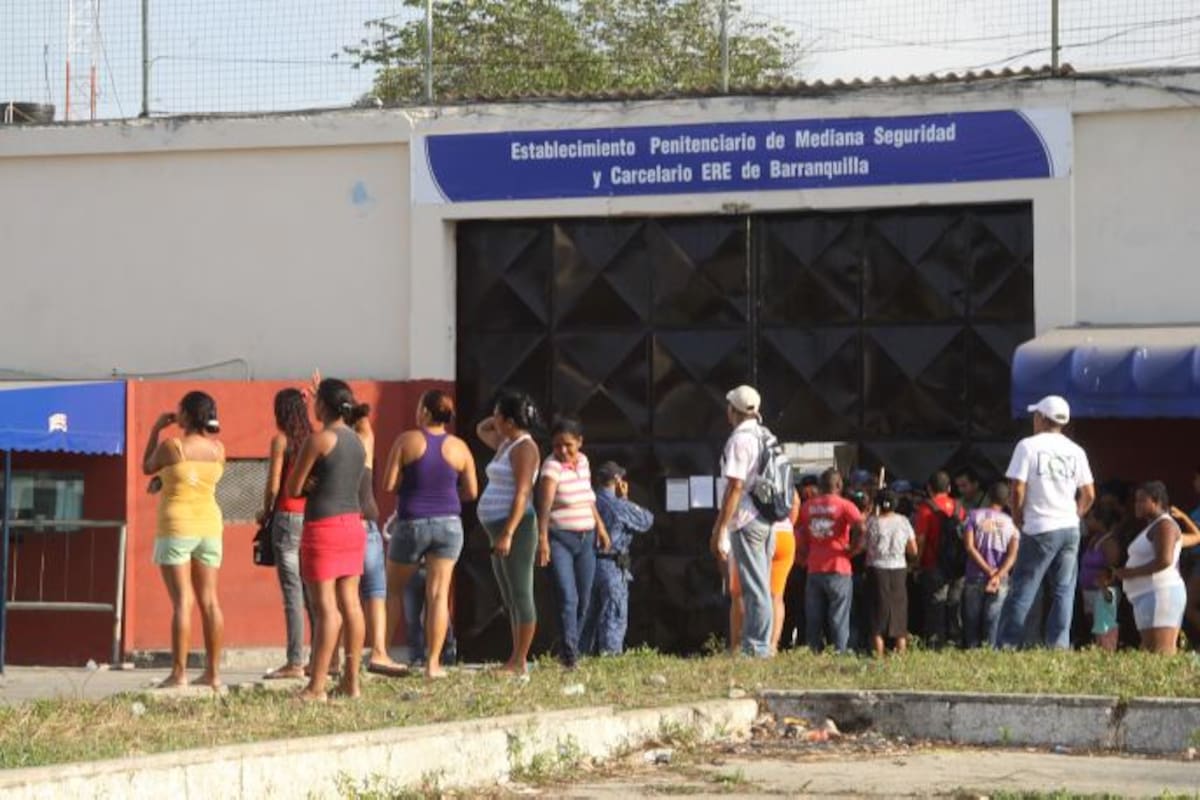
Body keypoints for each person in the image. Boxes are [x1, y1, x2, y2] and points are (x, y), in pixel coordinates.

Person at [383, 390, 477, 678]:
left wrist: (414, 490)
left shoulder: (407, 440)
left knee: (393, 591)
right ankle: (433, 665)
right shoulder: (460, 447)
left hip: (412, 522)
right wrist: (445, 496)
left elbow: (388, 484)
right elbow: (471, 491)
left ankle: (381, 654)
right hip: (449, 524)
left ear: (424, 412)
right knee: (438, 595)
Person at [286, 378, 369, 701]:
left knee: (326, 610)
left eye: (317, 399)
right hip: (353, 525)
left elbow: (294, 488)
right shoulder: (359, 441)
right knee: (351, 605)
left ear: (323, 406)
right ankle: (352, 682)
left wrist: (311, 485)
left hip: (324, 527)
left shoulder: (319, 441)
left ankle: (316, 686)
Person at [997, 395, 1095, 650]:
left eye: (1035, 415)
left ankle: (1007, 644)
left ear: (1041, 418)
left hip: (1039, 526)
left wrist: (1018, 516)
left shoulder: (1028, 446)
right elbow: (1089, 493)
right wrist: (1076, 515)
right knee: (1064, 590)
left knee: (1024, 588)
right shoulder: (1076, 450)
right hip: (1069, 528)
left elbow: (1017, 487)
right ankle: (1058, 645)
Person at [142, 391, 225, 689]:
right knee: (210, 601)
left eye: (180, 411)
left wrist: (155, 429)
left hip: (177, 526)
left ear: (187, 416)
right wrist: (166, 479)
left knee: (182, 602)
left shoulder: (172, 446)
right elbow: (194, 478)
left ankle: (179, 674)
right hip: (210, 527)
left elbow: (147, 466)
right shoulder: (218, 450)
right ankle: (213, 673)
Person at [476, 389, 542, 676]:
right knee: (509, 595)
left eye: (498, 414)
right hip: (498, 527)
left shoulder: (524, 448)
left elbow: (523, 492)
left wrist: (508, 532)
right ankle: (515, 658)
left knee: (521, 592)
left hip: (517, 528)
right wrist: (500, 418)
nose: (493, 419)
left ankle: (519, 660)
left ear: (509, 421)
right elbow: (481, 429)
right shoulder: (506, 443)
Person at [537, 417, 611, 669]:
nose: (563, 451)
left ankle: (572, 646)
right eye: (557, 446)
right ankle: (570, 656)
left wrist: (600, 527)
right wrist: (543, 538)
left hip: (586, 538)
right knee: (567, 597)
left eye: (568, 445)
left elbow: (588, 497)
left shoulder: (584, 462)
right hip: (560, 539)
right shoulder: (551, 467)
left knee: (585, 598)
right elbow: (544, 505)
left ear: (580, 442)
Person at [709, 385, 775, 657]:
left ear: (732, 411)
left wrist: (721, 527)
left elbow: (735, 486)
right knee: (762, 582)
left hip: (746, 519)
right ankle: (760, 643)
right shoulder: (766, 435)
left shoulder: (739, 439)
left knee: (754, 585)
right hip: (767, 517)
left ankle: (756, 647)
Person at [260, 388, 313, 680]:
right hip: (312, 517)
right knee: (314, 591)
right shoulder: (313, 440)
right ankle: (321, 658)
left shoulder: (281, 441)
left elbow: (273, 484)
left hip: (287, 516)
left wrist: (265, 512)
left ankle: (294, 661)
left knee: (292, 592)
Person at [1114, 483, 1200, 654]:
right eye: (1136, 500)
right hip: (1149, 596)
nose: (1136, 504)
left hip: (1161, 594)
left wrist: (1129, 573)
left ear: (1156, 502)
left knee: (1162, 652)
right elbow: (1197, 537)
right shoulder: (1157, 527)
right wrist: (1184, 518)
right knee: (1150, 651)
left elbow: (1164, 561)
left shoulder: (1165, 526)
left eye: (1142, 500)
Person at [580, 461, 654, 656]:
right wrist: (625, 498)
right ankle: (610, 658)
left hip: (587, 565)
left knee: (588, 616)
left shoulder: (589, 501)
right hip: (612, 565)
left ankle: (578, 657)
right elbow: (646, 520)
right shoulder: (617, 505)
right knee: (614, 614)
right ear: (617, 480)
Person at [797, 468, 864, 653]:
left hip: (814, 567)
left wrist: (802, 557)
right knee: (839, 616)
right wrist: (854, 549)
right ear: (839, 485)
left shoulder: (807, 506)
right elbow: (861, 527)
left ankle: (813, 651)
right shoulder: (845, 505)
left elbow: (799, 533)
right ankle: (840, 652)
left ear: (820, 486)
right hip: (839, 566)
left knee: (813, 616)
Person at [729, 490, 800, 655]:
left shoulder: (749, 469)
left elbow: (734, 492)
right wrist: (788, 524)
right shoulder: (780, 468)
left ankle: (737, 646)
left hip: (753, 530)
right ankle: (772, 647)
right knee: (776, 596)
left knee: (740, 593)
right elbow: (795, 500)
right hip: (784, 533)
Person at [961, 483, 1020, 649]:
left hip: (975, 575)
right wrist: (998, 574)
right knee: (993, 619)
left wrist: (988, 570)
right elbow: (1013, 554)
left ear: (988, 497)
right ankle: (990, 652)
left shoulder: (973, 516)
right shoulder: (1012, 523)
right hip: (999, 580)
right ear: (1007, 500)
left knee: (972, 619)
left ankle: (972, 652)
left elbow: (969, 547)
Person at [913, 471, 966, 649]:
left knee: (935, 607)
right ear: (949, 488)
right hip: (958, 568)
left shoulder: (926, 509)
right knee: (954, 605)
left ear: (929, 488)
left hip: (933, 565)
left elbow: (920, 540)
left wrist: (916, 564)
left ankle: (937, 644)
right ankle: (955, 641)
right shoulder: (959, 508)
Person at [862, 489, 916, 657]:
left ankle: (878, 655)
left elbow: (864, 546)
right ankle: (901, 654)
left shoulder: (872, 522)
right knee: (899, 611)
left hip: (877, 569)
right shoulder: (904, 522)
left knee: (877, 612)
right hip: (899, 569)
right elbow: (913, 549)